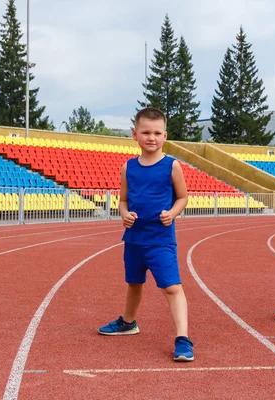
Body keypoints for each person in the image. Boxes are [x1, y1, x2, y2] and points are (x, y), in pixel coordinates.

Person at [98, 107, 193, 361]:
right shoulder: (128, 167)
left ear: (165, 136)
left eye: (157, 132)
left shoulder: (172, 166)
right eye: (146, 132)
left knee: (172, 287)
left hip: (160, 240)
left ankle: (182, 339)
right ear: (135, 134)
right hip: (134, 239)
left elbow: (183, 197)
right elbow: (123, 200)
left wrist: (172, 213)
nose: (151, 137)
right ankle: (129, 322)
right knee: (134, 283)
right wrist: (124, 214)